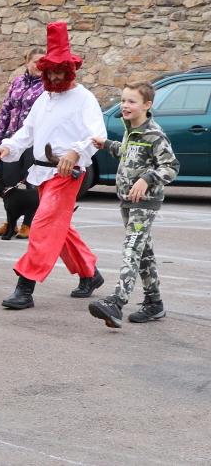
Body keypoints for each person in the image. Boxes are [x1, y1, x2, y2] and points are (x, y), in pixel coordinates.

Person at [0, 21, 107, 310]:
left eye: (60, 72)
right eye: (50, 72)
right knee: (59, 226)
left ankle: (25, 287)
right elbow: (28, 131)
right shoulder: (45, 97)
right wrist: (9, 146)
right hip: (41, 172)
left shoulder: (84, 98)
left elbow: (97, 135)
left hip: (66, 174)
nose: (54, 77)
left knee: (42, 226)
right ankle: (90, 273)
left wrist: (75, 153)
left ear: (70, 70)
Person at [87, 81, 179, 328]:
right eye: (123, 100)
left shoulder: (154, 134)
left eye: (131, 101)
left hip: (145, 203)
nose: (125, 106)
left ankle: (117, 302)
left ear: (147, 105)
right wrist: (107, 144)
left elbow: (171, 166)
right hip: (128, 201)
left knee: (131, 249)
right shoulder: (131, 129)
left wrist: (147, 179)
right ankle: (154, 303)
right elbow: (130, 153)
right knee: (143, 252)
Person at [0, 47, 45, 239]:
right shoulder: (17, 82)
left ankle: (28, 224)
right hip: (13, 140)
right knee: (9, 184)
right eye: (36, 61)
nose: (40, 65)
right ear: (27, 62)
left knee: (31, 184)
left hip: (34, 142)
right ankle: (11, 222)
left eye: (43, 62)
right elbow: (5, 110)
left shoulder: (47, 86)